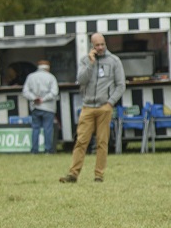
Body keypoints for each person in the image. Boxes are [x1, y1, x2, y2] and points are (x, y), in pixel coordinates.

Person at [60, 33, 126, 183]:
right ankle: (73, 174)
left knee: (102, 142)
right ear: (92, 46)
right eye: (97, 45)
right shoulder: (84, 60)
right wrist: (91, 64)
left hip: (104, 107)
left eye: (102, 44)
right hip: (87, 107)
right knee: (81, 141)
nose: (100, 47)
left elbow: (121, 85)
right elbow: (81, 80)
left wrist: (110, 102)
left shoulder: (114, 61)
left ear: (105, 43)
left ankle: (99, 175)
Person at [22, 59, 60, 155]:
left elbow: (25, 91)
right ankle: (48, 150)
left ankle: (34, 150)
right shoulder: (51, 77)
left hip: (35, 107)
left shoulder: (30, 77)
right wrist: (43, 99)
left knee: (35, 128)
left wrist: (34, 98)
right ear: (48, 68)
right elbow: (54, 92)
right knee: (48, 128)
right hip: (48, 107)